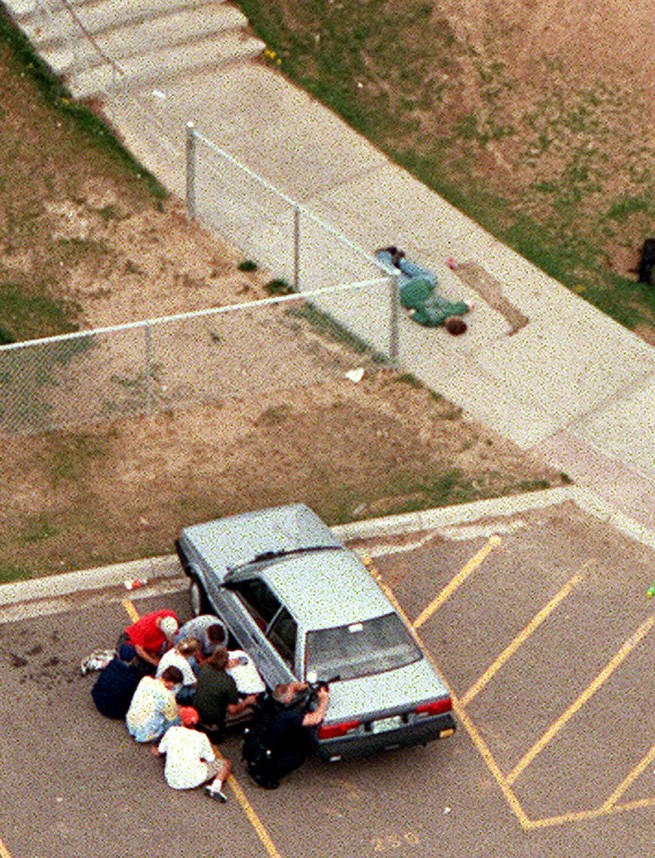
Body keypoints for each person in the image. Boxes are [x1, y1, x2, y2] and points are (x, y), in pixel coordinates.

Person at [243, 681, 330, 790]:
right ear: (287, 700)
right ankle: (265, 776)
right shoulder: (286, 717)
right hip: (267, 753)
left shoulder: (270, 701)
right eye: (292, 695)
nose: (294, 695)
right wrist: (324, 699)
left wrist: (307, 686)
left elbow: (290, 686)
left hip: (256, 741)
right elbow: (315, 719)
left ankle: (258, 767)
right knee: (298, 758)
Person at [154, 706, 231, 800]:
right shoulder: (202, 737)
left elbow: (160, 752)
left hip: (171, 779)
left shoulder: (172, 731)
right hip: (194, 779)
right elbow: (211, 759)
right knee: (225, 763)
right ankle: (215, 787)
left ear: (182, 720)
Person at [193, 647, 258, 739]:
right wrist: (247, 701)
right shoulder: (228, 682)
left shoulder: (205, 668)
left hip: (197, 706)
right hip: (213, 717)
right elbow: (233, 710)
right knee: (251, 710)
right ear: (226, 663)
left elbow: (207, 663)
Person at [126, 665, 183, 743]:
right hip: (145, 734)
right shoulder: (168, 696)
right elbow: (171, 719)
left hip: (130, 723)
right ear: (172, 683)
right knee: (177, 719)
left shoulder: (145, 680)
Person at [119, 609, 180, 675]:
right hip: (133, 643)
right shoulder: (144, 628)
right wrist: (154, 662)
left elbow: (171, 639)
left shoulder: (170, 616)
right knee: (135, 662)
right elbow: (139, 650)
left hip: (153, 646)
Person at [91, 643, 141, 719]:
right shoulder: (132, 677)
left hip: (98, 700)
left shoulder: (111, 665)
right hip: (114, 710)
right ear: (133, 659)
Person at [156, 638, 201, 704]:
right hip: (171, 691)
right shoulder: (184, 665)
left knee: (192, 661)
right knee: (195, 691)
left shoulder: (172, 651)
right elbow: (193, 684)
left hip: (160, 680)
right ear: (194, 652)